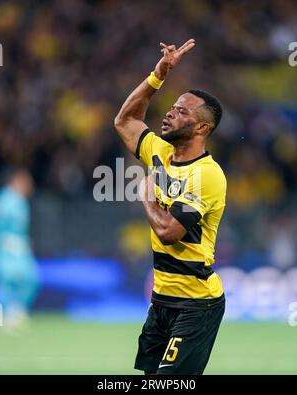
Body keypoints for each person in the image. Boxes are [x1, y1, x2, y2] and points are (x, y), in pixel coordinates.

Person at [114, 39, 227, 375]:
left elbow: (168, 233)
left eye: (182, 111)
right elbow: (124, 120)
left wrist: (146, 193)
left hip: (196, 304)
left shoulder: (207, 175)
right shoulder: (160, 152)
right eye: (173, 106)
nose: (170, 112)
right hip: (161, 300)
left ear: (202, 127)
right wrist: (158, 74)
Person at [0, 168, 39, 328]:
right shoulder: (5, 200)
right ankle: (7, 312)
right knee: (8, 280)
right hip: (6, 248)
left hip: (21, 248)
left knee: (31, 279)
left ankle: (18, 309)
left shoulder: (21, 201)